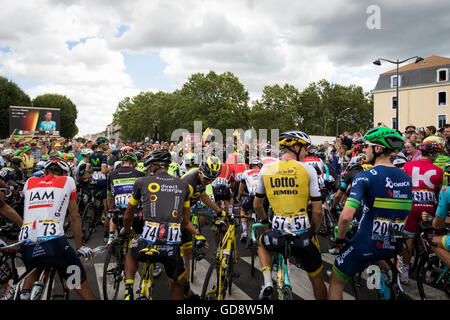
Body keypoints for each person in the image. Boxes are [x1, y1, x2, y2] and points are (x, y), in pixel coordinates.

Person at [328, 127, 413, 300]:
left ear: (378, 148)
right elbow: (404, 212)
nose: (364, 150)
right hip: (392, 245)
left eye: (367, 146)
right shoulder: (406, 177)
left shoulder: (365, 176)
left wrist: (339, 239)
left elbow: (346, 216)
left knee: (335, 280)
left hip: (366, 243)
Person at [120, 149, 205, 300]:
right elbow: (185, 221)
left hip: (146, 241)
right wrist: (197, 235)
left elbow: (127, 216)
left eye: (149, 167)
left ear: (153, 166)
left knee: (132, 251)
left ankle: (128, 291)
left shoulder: (141, 182)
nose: (148, 170)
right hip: (171, 246)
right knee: (178, 285)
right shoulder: (183, 185)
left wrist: (127, 231)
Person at [254, 130, 327, 300]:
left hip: (277, 231)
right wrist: (313, 231)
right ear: (295, 147)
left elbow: (257, 205)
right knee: (317, 279)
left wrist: (266, 221)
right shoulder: (308, 169)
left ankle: (267, 282)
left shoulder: (266, 168)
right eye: (305, 148)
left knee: (262, 244)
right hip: (303, 234)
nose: (307, 152)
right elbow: (317, 211)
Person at [18, 157, 96, 300]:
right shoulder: (68, 181)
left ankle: (24, 295)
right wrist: (79, 246)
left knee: (33, 269)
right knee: (80, 285)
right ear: (66, 173)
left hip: (26, 241)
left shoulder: (29, 182)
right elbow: (74, 217)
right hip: (53, 242)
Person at [400, 140, 444, 284]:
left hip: (411, 207)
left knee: (408, 240)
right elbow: (439, 192)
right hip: (429, 208)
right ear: (433, 153)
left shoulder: (407, 165)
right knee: (432, 241)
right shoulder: (438, 170)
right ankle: (429, 272)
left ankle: (405, 273)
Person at [106, 152, 145, 246]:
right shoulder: (140, 174)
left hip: (118, 211)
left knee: (113, 218)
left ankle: (111, 237)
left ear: (122, 163)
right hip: (135, 211)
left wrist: (110, 209)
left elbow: (109, 195)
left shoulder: (111, 174)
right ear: (134, 163)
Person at [86, 136, 111, 243]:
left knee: (94, 201)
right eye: (106, 144)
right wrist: (112, 168)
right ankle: (106, 234)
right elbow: (104, 170)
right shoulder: (104, 155)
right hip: (103, 182)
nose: (108, 146)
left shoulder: (91, 155)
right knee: (107, 209)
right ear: (102, 145)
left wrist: (94, 170)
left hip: (94, 181)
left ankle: (92, 221)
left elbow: (87, 169)